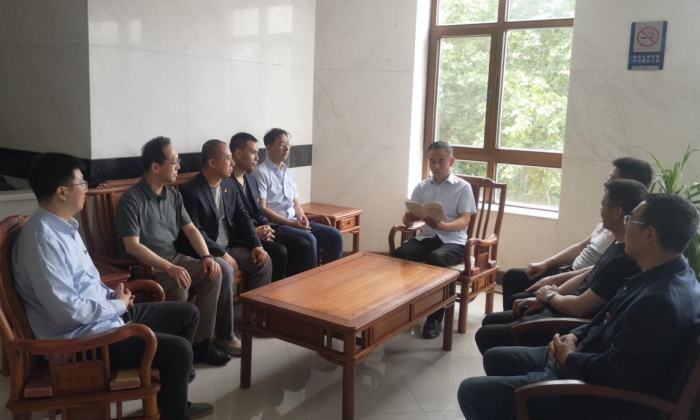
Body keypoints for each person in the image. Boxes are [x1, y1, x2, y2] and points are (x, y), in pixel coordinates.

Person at [458, 193, 700, 420]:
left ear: (649, 234)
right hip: (584, 354)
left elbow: (619, 375)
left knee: (471, 391)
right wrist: (573, 336)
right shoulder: (668, 272)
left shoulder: (659, 303)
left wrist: (570, 357)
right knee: (496, 357)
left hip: (592, 396)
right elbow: (604, 318)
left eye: (630, 220)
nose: (625, 225)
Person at [12, 152, 213, 420]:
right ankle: (174, 413)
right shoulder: (43, 241)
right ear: (61, 192)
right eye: (82, 183)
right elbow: (66, 312)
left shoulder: (64, 227)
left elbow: (85, 283)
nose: (86, 189)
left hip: (102, 321)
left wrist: (112, 296)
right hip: (82, 344)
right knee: (179, 351)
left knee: (188, 314)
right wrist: (116, 305)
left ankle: (170, 401)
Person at [474, 180, 646, 354]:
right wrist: (549, 295)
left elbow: (580, 308)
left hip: (563, 325)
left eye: (603, 205)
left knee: (486, 334)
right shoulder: (617, 242)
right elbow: (588, 273)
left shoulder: (624, 260)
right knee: (491, 320)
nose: (600, 211)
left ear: (617, 212)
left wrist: (550, 296)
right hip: (559, 307)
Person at [116, 136, 232, 366]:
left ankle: (201, 344)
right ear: (155, 166)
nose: (179, 166)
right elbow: (132, 246)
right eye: (174, 162)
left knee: (214, 273)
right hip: (146, 265)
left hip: (173, 258)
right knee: (179, 284)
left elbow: (191, 230)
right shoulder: (131, 199)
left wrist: (207, 256)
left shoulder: (173, 195)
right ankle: (175, 354)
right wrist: (169, 268)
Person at [502, 157, 654, 309]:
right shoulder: (612, 226)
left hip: (580, 283)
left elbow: (591, 283)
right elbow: (583, 246)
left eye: (611, 179)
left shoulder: (625, 240)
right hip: (570, 271)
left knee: (516, 300)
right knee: (513, 277)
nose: (605, 183)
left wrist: (552, 291)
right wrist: (547, 264)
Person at [176, 139, 272, 313]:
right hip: (207, 250)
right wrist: (221, 253)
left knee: (263, 262)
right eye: (228, 158)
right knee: (225, 270)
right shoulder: (191, 191)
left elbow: (242, 217)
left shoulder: (229, 184)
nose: (233, 163)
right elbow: (196, 230)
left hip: (231, 245)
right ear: (212, 162)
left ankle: (254, 319)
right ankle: (223, 327)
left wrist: (255, 245)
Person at [393, 141, 476, 339]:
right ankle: (406, 306)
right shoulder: (422, 187)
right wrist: (409, 218)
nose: (436, 166)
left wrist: (445, 226)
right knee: (401, 253)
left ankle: (435, 318)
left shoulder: (463, 187)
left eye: (441, 161)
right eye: (432, 161)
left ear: (451, 161)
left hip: (454, 241)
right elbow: (408, 220)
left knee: (435, 259)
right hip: (427, 236)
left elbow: (465, 220)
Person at [252, 128, 343, 270]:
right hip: (278, 225)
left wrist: (302, 217)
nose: (287, 148)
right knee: (310, 239)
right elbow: (262, 208)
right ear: (269, 148)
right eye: (282, 144)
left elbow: (296, 203)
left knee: (335, 235)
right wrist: (291, 223)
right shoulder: (260, 173)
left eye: (288, 144)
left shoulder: (288, 173)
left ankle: (329, 276)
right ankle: (310, 280)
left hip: (294, 221)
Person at [230, 132, 312, 280]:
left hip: (262, 228)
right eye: (253, 153)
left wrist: (266, 226)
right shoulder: (227, 183)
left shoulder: (250, 179)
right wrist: (254, 231)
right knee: (280, 251)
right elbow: (233, 218)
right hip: (244, 235)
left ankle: (295, 287)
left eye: (257, 153)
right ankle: (276, 291)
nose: (257, 158)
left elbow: (258, 210)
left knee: (302, 244)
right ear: (238, 154)